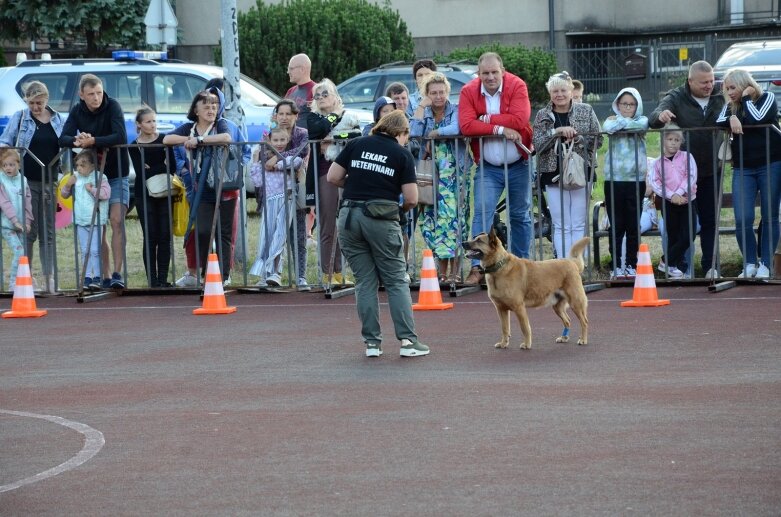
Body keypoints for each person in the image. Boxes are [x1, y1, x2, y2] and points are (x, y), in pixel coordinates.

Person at [327, 110, 429, 358]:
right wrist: (400, 208)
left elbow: (333, 177)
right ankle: (408, 342)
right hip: (381, 219)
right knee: (395, 280)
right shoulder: (401, 153)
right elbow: (413, 198)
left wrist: (354, 184)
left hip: (349, 217)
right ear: (401, 133)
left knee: (364, 281)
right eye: (407, 135)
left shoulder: (356, 143)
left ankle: (372, 344)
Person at [459, 52, 533, 284]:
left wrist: (488, 119)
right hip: (488, 167)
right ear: (478, 74)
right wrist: (499, 129)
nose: (490, 77)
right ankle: (477, 269)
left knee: (520, 215)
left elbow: (520, 120)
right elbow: (467, 125)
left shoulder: (517, 85)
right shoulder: (468, 91)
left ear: (502, 70)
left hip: (519, 164)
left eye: (494, 72)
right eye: (485, 73)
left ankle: (523, 267)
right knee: (482, 214)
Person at [649, 61, 725, 279]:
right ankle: (677, 267)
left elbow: (739, 103)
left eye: (711, 81)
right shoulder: (677, 96)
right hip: (681, 176)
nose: (709, 86)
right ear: (690, 81)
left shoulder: (720, 94)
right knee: (682, 226)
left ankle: (711, 266)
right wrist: (661, 116)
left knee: (710, 220)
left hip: (711, 171)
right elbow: (656, 115)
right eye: (703, 83)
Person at [59, 74, 130, 289]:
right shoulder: (77, 110)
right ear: (82, 95)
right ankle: (104, 274)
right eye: (91, 94)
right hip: (91, 175)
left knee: (117, 220)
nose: (96, 97)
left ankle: (118, 273)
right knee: (99, 226)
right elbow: (63, 137)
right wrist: (77, 140)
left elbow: (120, 136)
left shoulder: (113, 106)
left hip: (116, 173)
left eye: (99, 92)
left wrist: (94, 141)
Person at [715, 68, 781, 279]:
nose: (730, 92)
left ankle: (766, 264)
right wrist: (732, 118)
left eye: (733, 87)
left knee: (769, 216)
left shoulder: (767, 98)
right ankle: (749, 263)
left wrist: (745, 100)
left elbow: (756, 118)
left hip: (771, 163)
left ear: (745, 85)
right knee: (742, 217)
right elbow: (717, 122)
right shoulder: (730, 106)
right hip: (743, 168)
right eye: (727, 88)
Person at [163, 89, 234, 282]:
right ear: (196, 110)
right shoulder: (189, 128)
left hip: (224, 186)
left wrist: (201, 141)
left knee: (223, 233)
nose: (211, 109)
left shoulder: (221, 124)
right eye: (206, 106)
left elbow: (227, 138)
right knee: (202, 231)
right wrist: (190, 140)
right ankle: (205, 272)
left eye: (214, 106)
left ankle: (224, 276)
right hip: (201, 188)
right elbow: (167, 139)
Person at [0, 80, 64, 293]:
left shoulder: (57, 119)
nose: (36, 107)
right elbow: (5, 141)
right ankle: (24, 276)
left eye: (39, 102)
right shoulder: (19, 118)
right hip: (25, 183)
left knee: (48, 232)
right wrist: (9, 157)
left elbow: (67, 143)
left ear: (47, 99)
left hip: (50, 181)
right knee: (28, 230)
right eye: (31, 103)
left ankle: (49, 277)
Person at [532, 72, 601, 263]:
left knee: (578, 222)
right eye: (555, 91)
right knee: (561, 223)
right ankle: (562, 265)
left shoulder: (586, 110)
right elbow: (537, 144)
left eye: (563, 90)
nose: (559, 94)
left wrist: (579, 138)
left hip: (580, 170)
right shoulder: (542, 115)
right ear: (550, 93)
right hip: (552, 173)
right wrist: (556, 132)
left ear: (571, 91)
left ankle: (578, 266)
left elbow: (598, 139)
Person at [410, 72, 472, 283]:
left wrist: (436, 134)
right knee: (433, 221)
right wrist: (420, 107)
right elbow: (413, 131)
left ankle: (455, 273)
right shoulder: (425, 112)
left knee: (454, 221)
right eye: (433, 93)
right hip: (430, 174)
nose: (438, 96)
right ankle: (441, 272)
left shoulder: (455, 109)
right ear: (427, 94)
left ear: (448, 92)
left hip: (455, 174)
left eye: (442, 92)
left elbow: (459, 128)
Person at [305, 79, 361, 285]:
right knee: (328, 224)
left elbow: (356, 135)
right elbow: (317, 130)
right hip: (324, 174)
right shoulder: (312, 117)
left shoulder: (350, 116)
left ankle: (339, 272)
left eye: (325, 94)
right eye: (317, 96)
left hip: (347, 173)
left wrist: (336, 139)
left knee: (344, 224)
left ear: (336, 96)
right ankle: (326, 273)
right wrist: (334, 115)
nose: (320, 98)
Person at [602, 87, 649, 279]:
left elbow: (638, 127)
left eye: (631, 104)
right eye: (624, 104)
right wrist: (621, 123)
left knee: (632, 224)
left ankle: (631, 263)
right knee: (617, 224)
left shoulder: (642, 120)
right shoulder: (609, 119)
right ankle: (616, 265)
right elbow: (608, 128)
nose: (627, 107)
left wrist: (621, 122)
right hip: (613, 180)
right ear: (617, 105)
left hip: (635, 180)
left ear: (637, 106)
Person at [128, 107, 177, 287]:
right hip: (144, 193)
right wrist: (159, 166)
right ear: (139, 125)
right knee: (151, 235)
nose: (152, 124)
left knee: (165, 235)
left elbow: (171, 167)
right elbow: (141, 171)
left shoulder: (165, 140)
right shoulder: (134, 146)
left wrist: (153, 168)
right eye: (148, 121)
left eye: (154, 121)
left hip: (165, 192)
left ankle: (163, 279)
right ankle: (152, 280)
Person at [249, 127, 301, 286]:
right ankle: (265, 274)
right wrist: (256, 160)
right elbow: (257, 181)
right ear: (269, 142)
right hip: (270, 200)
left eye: (282, 140)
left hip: (287, 198)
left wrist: (276, 164)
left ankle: (276, 273)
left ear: (288, 140)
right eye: (275, 140)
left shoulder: (291, 155)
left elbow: (295, 162)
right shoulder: (263, 160)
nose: (279, 143)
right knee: (266, 236)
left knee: (280, 235)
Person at [270, 99, 311, 291]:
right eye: (281, 114)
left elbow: (301, 152)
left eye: (288, 114)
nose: (284, 118)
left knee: (299, 233)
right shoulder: (268, 133)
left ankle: (301, 276)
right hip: (274, 190)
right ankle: (274, 272)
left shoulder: (302, 134)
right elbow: (263, 157)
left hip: (296, 187)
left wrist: (276, 160)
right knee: (275, 233)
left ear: (296, 116)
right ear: (275, 115)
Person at [650, 123, 698, 279]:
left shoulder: (687, 157)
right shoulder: (657, 163)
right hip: (668, 203)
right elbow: (655, 183)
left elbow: (690, 176)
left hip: (687, 200)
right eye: (670, 139)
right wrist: (672, 196)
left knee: (688, 235)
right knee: (674, 235)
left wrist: (679, 193)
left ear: (681, 142)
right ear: (663, 141)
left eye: (677, 140)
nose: (673, 142)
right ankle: (675, 268)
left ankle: (666, 261)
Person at [60, 150, 111, 290]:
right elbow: (64, 195)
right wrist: (68, 185)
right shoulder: (75, 178)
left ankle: (98, 276)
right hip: (80, 220)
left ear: (93, 166)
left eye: (83, 165)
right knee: (85, 250)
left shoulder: (101, 177)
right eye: (77, 165)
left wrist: (92, 190)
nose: (79, 168)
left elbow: (106, 194)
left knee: (95, 250)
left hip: (95, 221)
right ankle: (87, 276)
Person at [0, 149, 33, 290]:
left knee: (23, 254)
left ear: (19, 165)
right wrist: (15, 221)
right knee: (19, 251)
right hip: (7, 225)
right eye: (5, 165)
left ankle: (21, 281)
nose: (8, 168)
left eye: (12, 165)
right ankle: (13, 283)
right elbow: (4, 202)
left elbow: (28, 202)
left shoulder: (23, 180)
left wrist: (27, 221)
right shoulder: (1, 180)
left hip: (20, 224)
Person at [285, 53, 317, 126]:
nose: (288, 72)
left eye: (291, 68)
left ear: (302, 69)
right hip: (289, 136)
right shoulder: (290, 91)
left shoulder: (316, 90)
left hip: (307, 136)